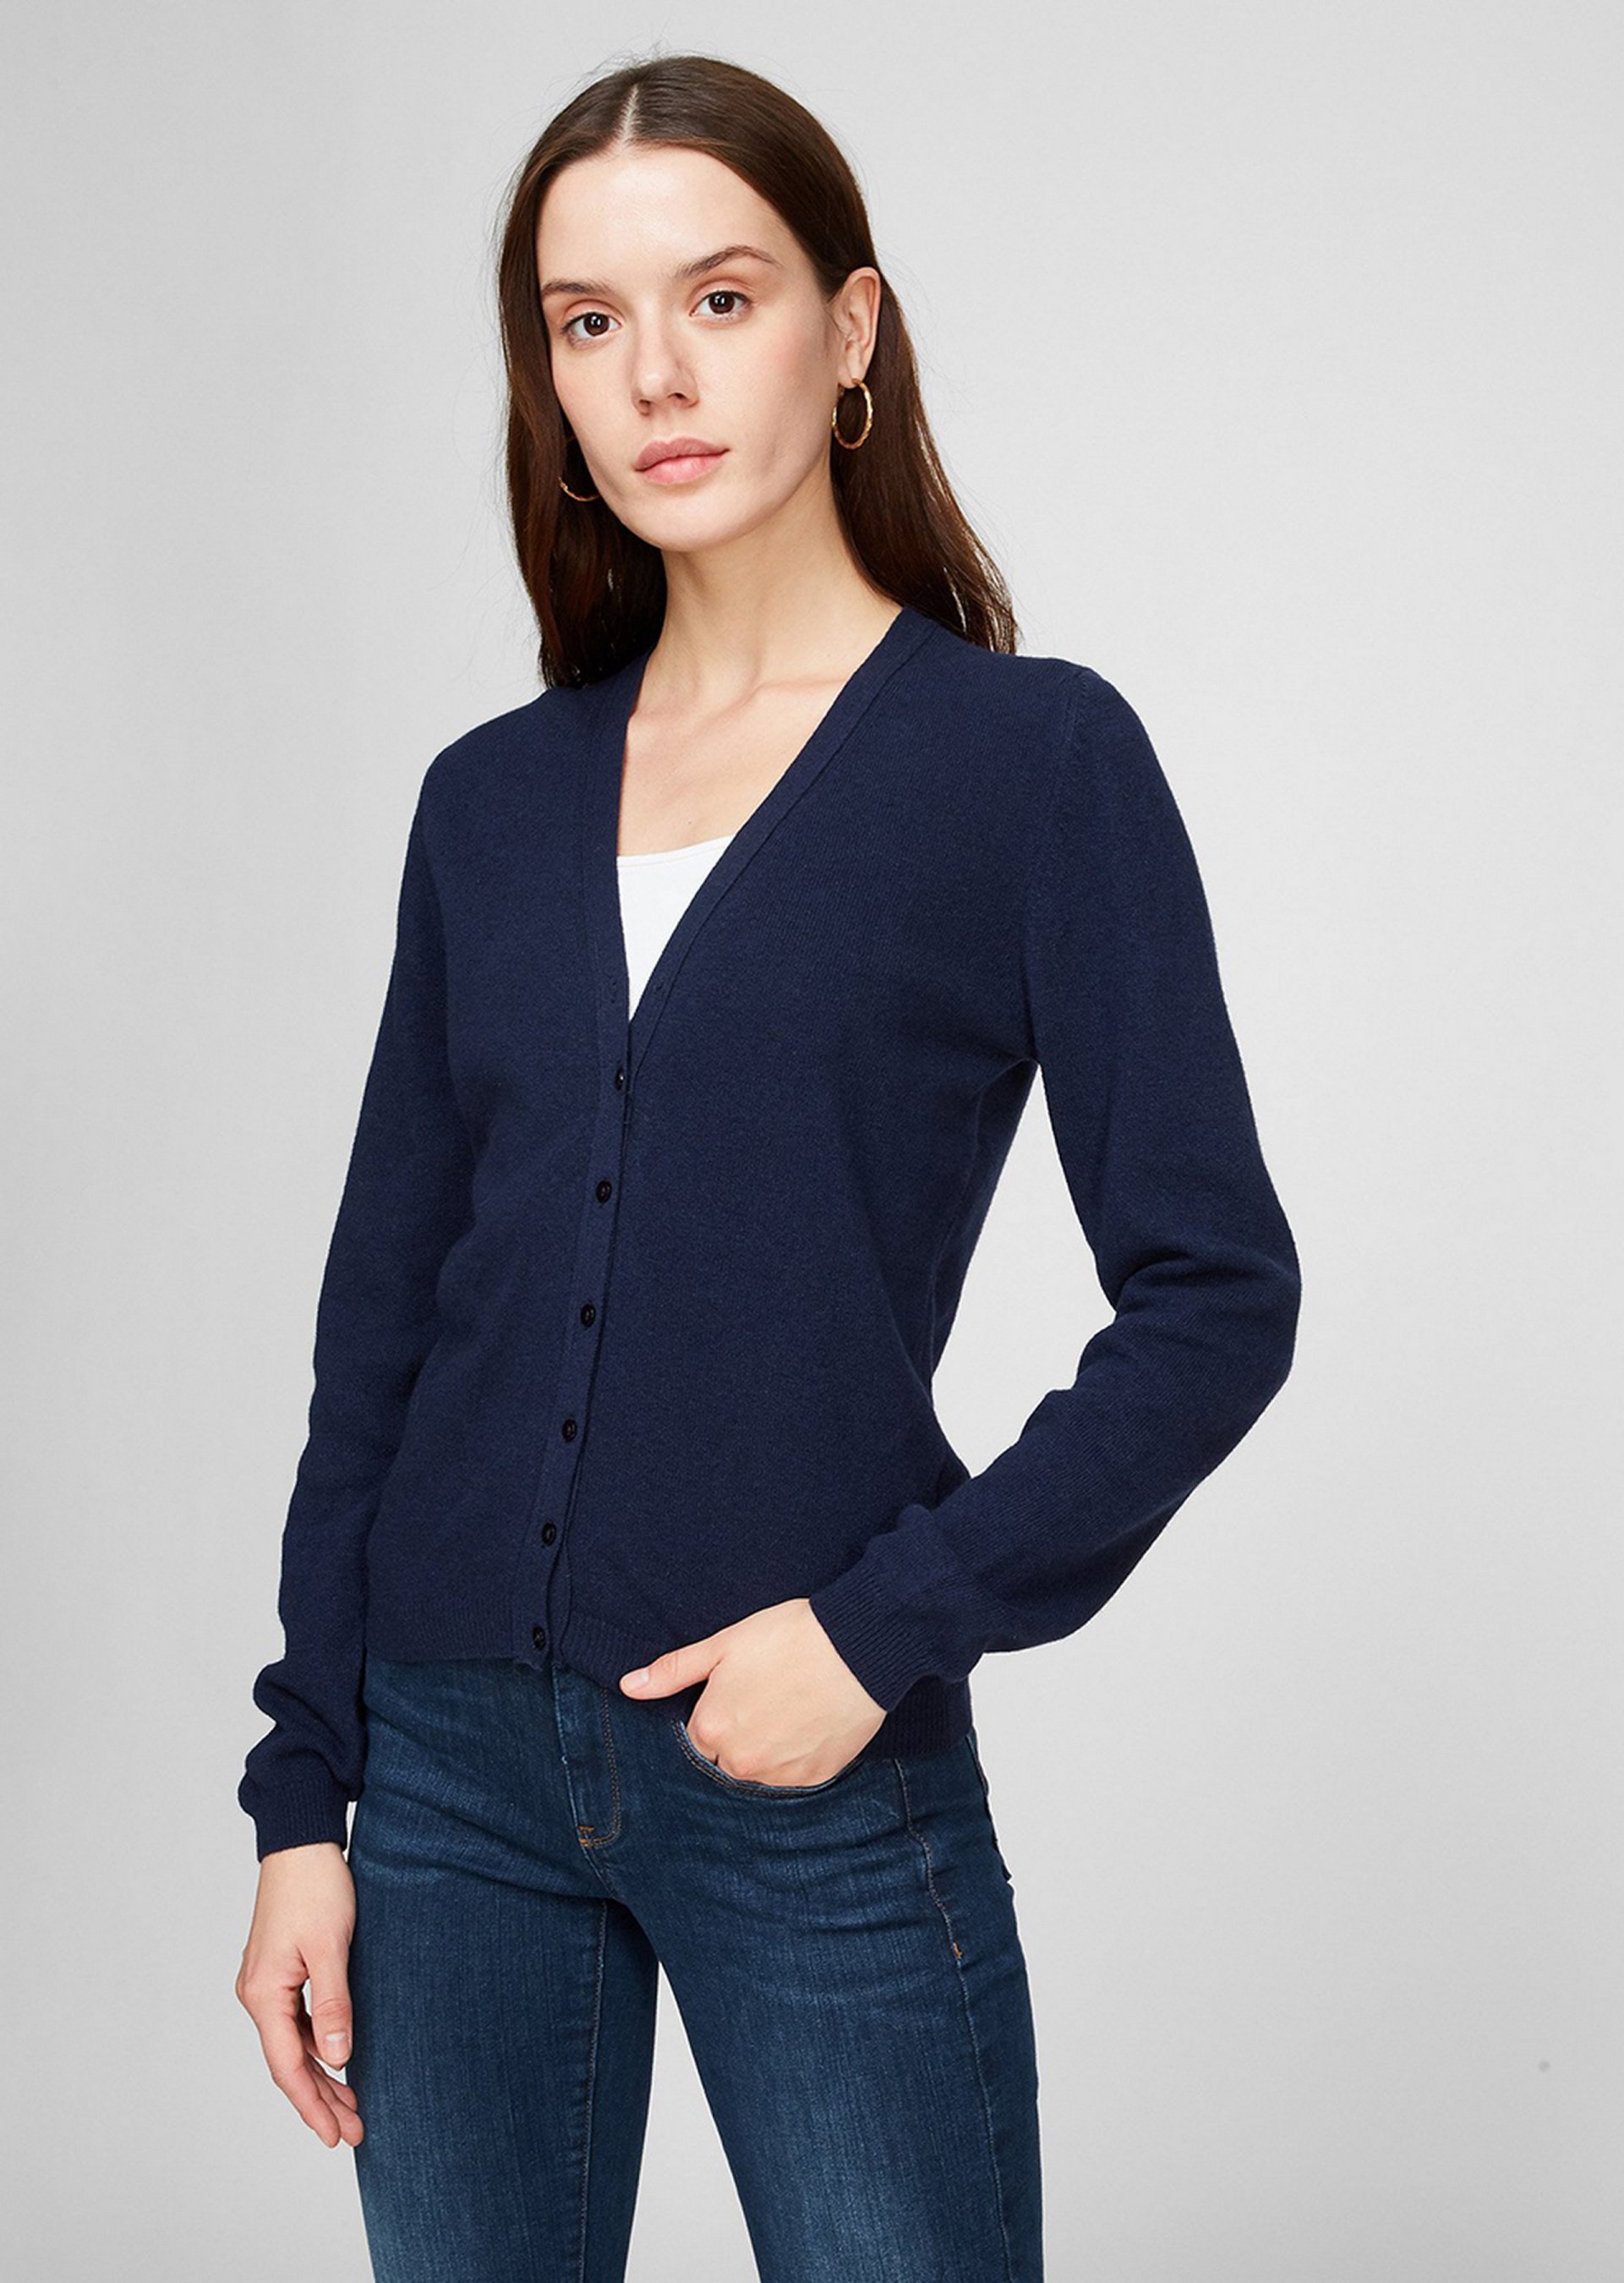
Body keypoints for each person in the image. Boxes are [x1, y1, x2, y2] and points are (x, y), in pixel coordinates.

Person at [233, 51, 1301, 2283]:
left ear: (850, 328)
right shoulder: (486, 805)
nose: (655, 374)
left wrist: (884, 1625)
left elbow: (1217, 1293)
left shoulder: (1028, 765)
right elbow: (382, 1327)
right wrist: (302, 1796)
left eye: (718, 298)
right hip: (442, 1774)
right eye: (587, 320)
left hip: (806, 1757)